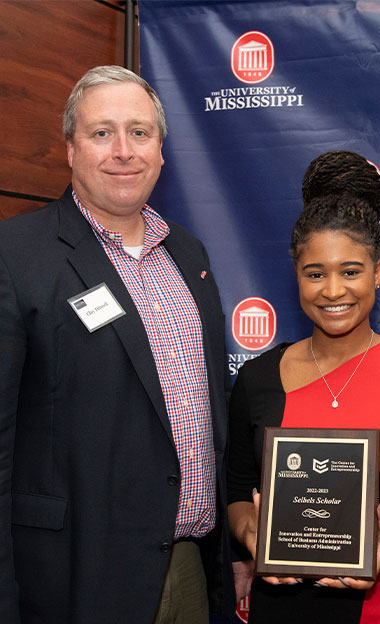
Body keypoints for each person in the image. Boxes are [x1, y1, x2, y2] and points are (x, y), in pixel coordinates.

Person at [0, 66, 235, 623]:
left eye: (140, 132)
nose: (123, 151)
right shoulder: (16, 254)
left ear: (161, 150)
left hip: (188, 566)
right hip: (69, 575)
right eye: (102, 133)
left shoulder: (189, 254)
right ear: (70, 149)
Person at [227, 151, 380, 623]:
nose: (333, 290)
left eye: (350, 271)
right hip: (282, 608)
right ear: (296, 274)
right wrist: (252, 534)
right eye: (315, 274)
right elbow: (236, 489)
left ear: (377, 271)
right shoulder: (256, 379)